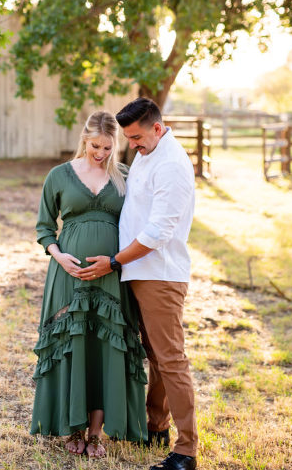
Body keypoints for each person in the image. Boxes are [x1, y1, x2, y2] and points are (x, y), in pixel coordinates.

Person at [76, 98, 198, 470]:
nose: (133, 145)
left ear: (157, 128)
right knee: (156, 358)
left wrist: (113, 261)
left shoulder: (173, 165)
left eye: (137, 137)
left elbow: (158, 231)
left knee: (171, 360)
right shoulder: (148, 154)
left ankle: (187, 450)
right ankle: (155, 426)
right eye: (128, 138)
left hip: (159, 274)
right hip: (138, 272)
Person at [30, 110, 147, 458]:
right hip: (70, 276)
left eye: (108, 147)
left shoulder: (126, 176)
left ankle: (95, 432)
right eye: (96, 146)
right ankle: (73, 427)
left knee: (104, 345)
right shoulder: (59, 176)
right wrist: (59, 255)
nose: (101, 153)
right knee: (73, 342)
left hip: (112, 276)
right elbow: (43, 227)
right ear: (84, 139)